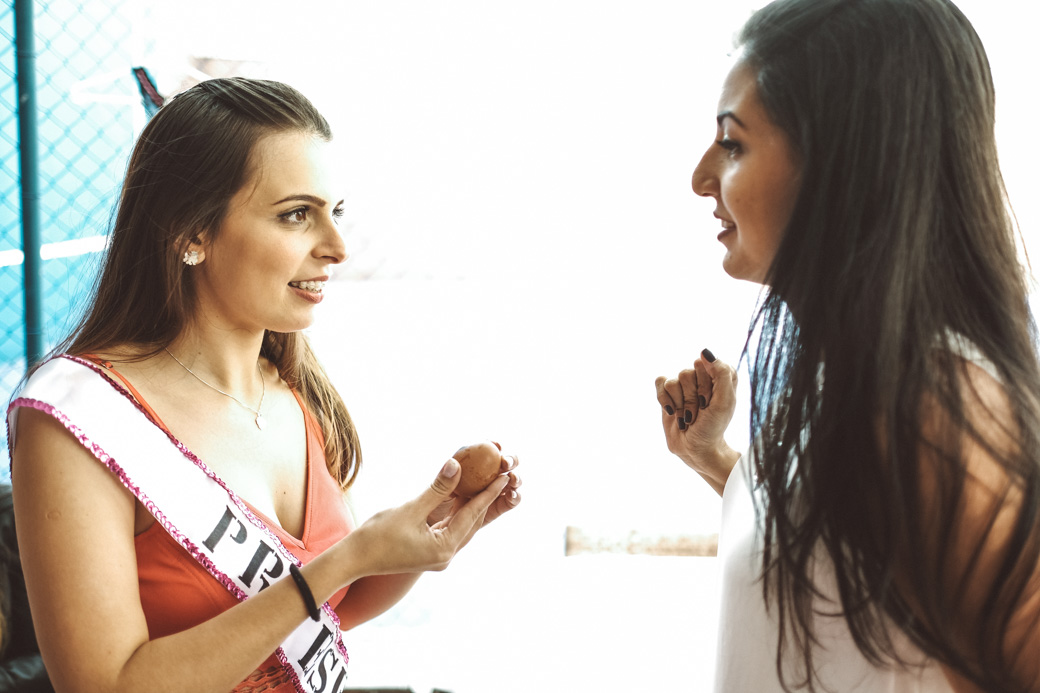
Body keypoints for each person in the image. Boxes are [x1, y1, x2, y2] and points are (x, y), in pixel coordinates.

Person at [7, 77, 521, 693]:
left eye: (336, 213)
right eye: (296, 215)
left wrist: (431, 530)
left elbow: (327, 615)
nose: (337, 247)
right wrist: (350, 558)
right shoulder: (78, 419)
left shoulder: (296, 388)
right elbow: (104, 686)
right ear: (190, 233)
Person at [654, 0, 1040, 691]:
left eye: (733, 143)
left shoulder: (937, 404)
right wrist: (718, 464)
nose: (700, 176)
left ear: (844, 160)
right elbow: (839, 555)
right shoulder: (855, 385)